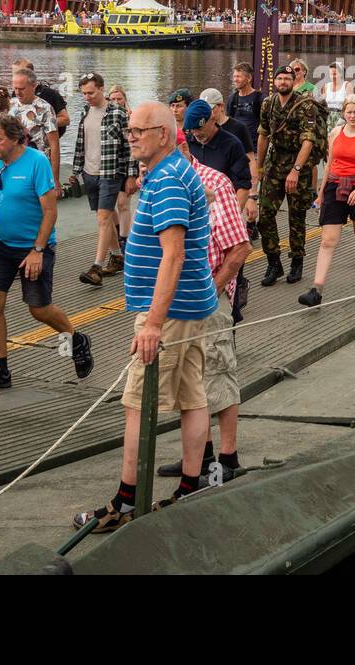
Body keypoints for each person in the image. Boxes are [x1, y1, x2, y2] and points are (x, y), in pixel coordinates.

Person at [74, 102, 217, 530]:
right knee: (193, 397)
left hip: (171, 312)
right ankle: (193, 488)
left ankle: (125, 503)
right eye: (130, 130)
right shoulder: (165, 173)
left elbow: (173, 256)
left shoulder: (169, 180)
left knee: (138, 403)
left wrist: (153, 323)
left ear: (164, 134)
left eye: (139, 130)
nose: (130, 135)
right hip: (191, 306)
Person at [151, 131, 251, 485]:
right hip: (177, 302)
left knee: (218, 371)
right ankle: (200, 457)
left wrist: (213, 288)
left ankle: (228, 457)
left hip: (208, 295)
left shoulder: (215, 183)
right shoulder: (161, 180)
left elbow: (239, 247)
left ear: (180, 148)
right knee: (190, 381)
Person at [0, 115, 93, 390]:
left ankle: (76, 338)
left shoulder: (37, 162)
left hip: (33, 246)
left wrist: (38, 250)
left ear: (15, 139)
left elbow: (50, 211)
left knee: (38, 309)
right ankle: (0, 370)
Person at [299, 96, 355, 306]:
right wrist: (321, 191)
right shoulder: (335, 132)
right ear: (344, 113)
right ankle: (316, 289)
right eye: (349, 112)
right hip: (336, 185)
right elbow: (329, 163)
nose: (352, 116)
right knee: (328, 239)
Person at [254, 65, 321, 285]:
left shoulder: (305, 105)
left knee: (296, 217)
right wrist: (259, 167)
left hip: (297, 164)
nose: (283, 82)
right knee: (264, 215)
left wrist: (296, 170)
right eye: (279, 78)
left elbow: (308, 141)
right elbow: (263, 135)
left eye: (287, 79)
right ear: (275, 82)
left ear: (294, 81)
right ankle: (274, 262)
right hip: (274, 164)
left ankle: (297, 260)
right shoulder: (268, 104)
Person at [71, 72, 130, 286]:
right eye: (84, 93)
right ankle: (117, 255)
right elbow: (82, 143)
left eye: (91, 93)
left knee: (103, 219)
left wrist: (131, 175)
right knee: (104, 216)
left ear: (102, 89)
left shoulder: (118, 113)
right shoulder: (85, 112)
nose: (87, 97)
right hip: (90, 172)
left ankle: (96, 266)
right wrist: (76, 170)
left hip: (110, 172)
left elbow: (130, 146)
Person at [10, 67, 60, 187]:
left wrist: (55, 179)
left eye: (22, 89)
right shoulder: (10, 104)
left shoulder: (45, 108)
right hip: (14, 164)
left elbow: (54, 145)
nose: (17, 92)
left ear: (34, 86)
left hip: (38, 166)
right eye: (15, 88)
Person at [11, 59, 69, 139]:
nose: (16, 77)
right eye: (14, 73)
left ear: (30, 73)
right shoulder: (15, 93)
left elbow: (65, 119)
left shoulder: (50, 94)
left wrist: (41, 123)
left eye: (20, 73)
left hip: (44, 142)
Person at [108, 85, 133, 245]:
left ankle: (125, 240)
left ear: (125, 100)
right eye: (113, 99)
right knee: (108, 206)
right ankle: (118, 230)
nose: (116, 102)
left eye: (119, 98)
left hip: (126, 164)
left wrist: (133, 173)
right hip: (110, 166)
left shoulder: (131, 118)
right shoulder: (106, 117)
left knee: (123, 203)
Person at [225, 63, 263, 149]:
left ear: (249, 78)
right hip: (237, 147)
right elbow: (228, 124)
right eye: (234, 76)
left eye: (239, 76)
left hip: (255, 147)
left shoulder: (259, 99)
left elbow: (266, 127)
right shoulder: (232, 99)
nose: (235, 79)